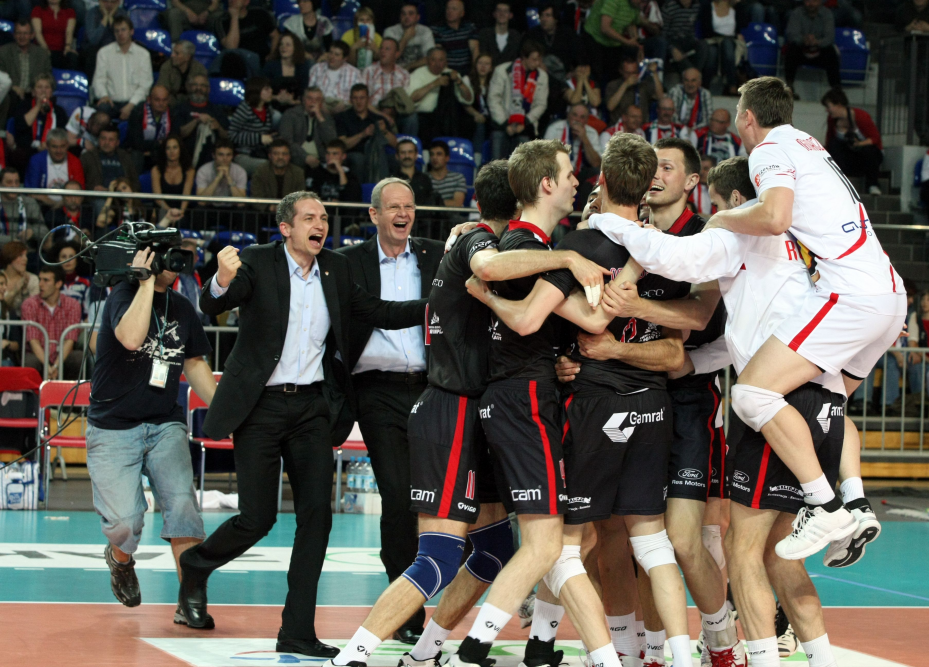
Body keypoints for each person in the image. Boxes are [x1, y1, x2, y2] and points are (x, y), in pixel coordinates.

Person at [587, 154, 880, 665]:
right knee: (771, 553)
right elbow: (740, 338)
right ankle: (846, 511)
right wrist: (689, 361)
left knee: (734, 547)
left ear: (730, 198)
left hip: (754, 403)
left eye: (720, 205)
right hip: (803, 394)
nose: (716, 214)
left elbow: (682, 279)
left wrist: (608, 222)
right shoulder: (790, 247)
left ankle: (741, 641)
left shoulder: (730, 234)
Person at [178, 190, 427, 654]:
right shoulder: (257, 261)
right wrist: (220, 280)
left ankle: (295, 631)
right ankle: (196, 564)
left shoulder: (336, 268)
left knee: (317, 518)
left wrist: (433, 307)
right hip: (260, 407)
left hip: (312, 407)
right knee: (257, 518)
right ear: (286, 228)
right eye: (309, 217)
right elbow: (213, 306)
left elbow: (377, 311)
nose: (320, 225)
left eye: (325, 217)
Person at [700, 76, 904, 559]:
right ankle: (857, 504)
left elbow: (775, 218)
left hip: (851, 294)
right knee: (829, 400)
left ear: (747, 117)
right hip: (888, 294)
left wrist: (720, 218)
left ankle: (825, 506)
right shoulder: (811, 145)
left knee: (751, 392)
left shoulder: (768, 149)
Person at [447, 138, 630, 667]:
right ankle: (476, 645)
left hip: (524, 396)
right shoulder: (530, 247)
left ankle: (509, 645)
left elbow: (578, 319)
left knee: (559, 542)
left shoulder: (527, 245)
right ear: (546, 183)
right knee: (550, 544)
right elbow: (531, 315)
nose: (577, 182)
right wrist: (619, 259)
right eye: (569, 174)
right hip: (522, 400)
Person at [582, 138, 739, 665]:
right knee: (629, 538)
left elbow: (698, 317)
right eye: (651, 166)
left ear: (692, 181)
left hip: (688, 399)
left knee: (685, 540)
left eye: (667, 167)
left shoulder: (704, 237)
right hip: (630, 394)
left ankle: (722, 641)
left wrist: (635, 311)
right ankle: (646, 649)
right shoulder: (630, 232)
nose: (655, 175)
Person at [334, 178, 445, 644]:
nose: (403, 214)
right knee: (399, 498)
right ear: (374, 214)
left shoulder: (437, 255)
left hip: (432, 388)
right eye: (394, 207)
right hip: (376, 391)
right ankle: (406, 609)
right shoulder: (348, 262)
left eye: (410, 206)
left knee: (436, 500)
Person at [86, 243, 216, 614]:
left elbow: (194, 363)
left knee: (183, 508)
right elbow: (130, 338)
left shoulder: (182, 306)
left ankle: (190, 599)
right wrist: (144, 283)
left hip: (164, 422)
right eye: (168, 254)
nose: (176, 263)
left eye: (182, 256)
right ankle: (120, 559)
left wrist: (227, 414)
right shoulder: (122, 294)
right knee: (126, 523)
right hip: (113, 426)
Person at [488, 41, 548, 160]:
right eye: (534, 59)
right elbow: (493, 98)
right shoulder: (502, 70)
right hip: (502, 124)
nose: (537, 63)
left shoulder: (542, 76)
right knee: (497, 161)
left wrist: (524, 122)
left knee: (521, 162)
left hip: (526, 126)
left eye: (539, 60)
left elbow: (541, 104)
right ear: (524, 57)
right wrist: (505, 123)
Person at [22, 264, 82, 379]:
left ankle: (74, 390)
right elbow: (33, 341)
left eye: (46, 280)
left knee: (78, 358)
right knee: (29, 361)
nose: (40, 284)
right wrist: (48, 367)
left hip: (62, 356)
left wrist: (56, 366)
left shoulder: (72, 305)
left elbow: (70, 340)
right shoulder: (29, 304)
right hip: (39, 356)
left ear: (58, 284)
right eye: (40, 279)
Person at [821, 88, 884, 196]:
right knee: (834, 145)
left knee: (869, 150)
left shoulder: (861, 116)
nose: (827, 110)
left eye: (828, 106)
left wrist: (859, 144)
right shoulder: (831, 119)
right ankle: (838, 182)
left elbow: (875, 138)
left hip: (868, 157)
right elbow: (829, 140)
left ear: (838, 104)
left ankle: (873, 185)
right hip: (850, 159)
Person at [92, 15, 153, 121]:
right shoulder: (104, 53)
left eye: (123, 30)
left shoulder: (143, 54)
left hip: (135, 103)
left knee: (141, 111)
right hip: (111, 103)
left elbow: (145, 85)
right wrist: (104, 96)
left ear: (131, 31)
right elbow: (99, 80)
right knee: (102, 110)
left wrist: (131, 104)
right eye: (117, 31)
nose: (120, 34)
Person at [407, 46, 471, 145]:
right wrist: (434, 84)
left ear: (446, 62)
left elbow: (468, 98)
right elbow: (411, 99)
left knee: (467, 121)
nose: (437, 64)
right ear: (427, 61)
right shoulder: (418, 74)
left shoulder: (451, 73)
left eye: (441, 60)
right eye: (433, 60)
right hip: (424, 117)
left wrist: (458, 81)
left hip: (448, 117)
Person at [335, 83, 397, 181]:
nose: (359, 102)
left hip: (376, 154)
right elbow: (341, 145)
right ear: (350, 100)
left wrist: (384, 131)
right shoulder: (342, 118)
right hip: (353, 155)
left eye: (362, 98)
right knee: (358, 159)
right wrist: (363, 134)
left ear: (368, 99)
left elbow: (395, 144)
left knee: (394, 159)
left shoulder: (378, 119)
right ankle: (359, 189)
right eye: (355, 98)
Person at [9, 73, 68, 173]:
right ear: (33, 92)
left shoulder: (59, 111)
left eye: (47, 87)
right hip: (28, 150)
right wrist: (38, 106)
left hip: (51, 150)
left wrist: (48, 145)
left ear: (51, 92)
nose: (43, 90)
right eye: (39, 87)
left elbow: (63, 135)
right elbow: (20, 126)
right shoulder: (24, 106)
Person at [582, 0, 648, 87]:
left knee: (613, 78)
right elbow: (605, 28)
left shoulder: (635, 6)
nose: (643, 3)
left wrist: (638, 46)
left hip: (613, 44)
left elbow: (631, 23)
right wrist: (627, 42)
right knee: (596, 77)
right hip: (594, 39)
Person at [784, 0, 839, 97]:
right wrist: (804, 39)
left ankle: (836, 90)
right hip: (801, 49)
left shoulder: (827, 14)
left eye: (814, 1)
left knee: (831, 52)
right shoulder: (797, 13)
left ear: (820, 2)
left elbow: (829, 37)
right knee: (791, 49)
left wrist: (817, 42)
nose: (810, 4)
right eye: (808, 1)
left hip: (820, 50)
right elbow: (791, 34)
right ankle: (789, 87)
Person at [173, 74, 229, 168]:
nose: (198, 88)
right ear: (189, 88)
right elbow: (179, 134)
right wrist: (197, 121)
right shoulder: (180, 109)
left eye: (202, 85)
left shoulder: (216, 110)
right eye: (195, 85)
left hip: (212, 160)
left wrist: (218, 127)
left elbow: (227, 136)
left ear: (208, 89)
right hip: (185, 158)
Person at [211, 0, 277, 79]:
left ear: (246, 2)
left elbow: (275, 36)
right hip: (236, 64)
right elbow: (231, 47)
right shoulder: (221, 21)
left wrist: (273, 53)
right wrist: (234, 17)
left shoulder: (260, 14)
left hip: (261, 61)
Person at [278, 87, 339, 171]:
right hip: (297, 158)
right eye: (309, 98)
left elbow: (332, 143)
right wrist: (305, 157)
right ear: (303, 100)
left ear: (322, 102)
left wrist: (320, 117)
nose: (313, 102)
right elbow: (286, 141)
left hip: (320, 160)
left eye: (317, 99)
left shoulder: (326, 118)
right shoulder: (290, 114)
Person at [25, 128, 85, 209]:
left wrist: (60, 204)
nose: (58, 151)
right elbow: (31, 192)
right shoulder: (36, 161)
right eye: (54, 147)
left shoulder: (75, 162)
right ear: (47, 146)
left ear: (67, 145)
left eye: (62, 146)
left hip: (69, 208)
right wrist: (52, 203)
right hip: (42, 207)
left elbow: (80, 191)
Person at [229, 77, 276, 175]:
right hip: (243, 154)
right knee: (269, 167)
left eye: (270, 88)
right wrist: (259, 138)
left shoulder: (268, 110)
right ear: (257, 91)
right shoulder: (245, 109)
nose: (271, 91)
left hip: (261, 153)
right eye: (266, 89)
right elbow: (232, 135)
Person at [697, 0, 747, 95]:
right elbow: (706, 31)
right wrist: (726, 37)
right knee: (713, 52)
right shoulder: (708, 7)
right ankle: (706, 85)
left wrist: (739, 5)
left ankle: (731, 84)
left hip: (731, 43)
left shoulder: (736, 9)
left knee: (727, 45)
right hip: (712, 40)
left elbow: (744, 24)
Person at [543, 102, 601, 182]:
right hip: (557, 171)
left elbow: (596, 163)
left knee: (596, 172)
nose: (578, 120)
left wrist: (584, 138)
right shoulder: (555, 129)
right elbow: (545, 158)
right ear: (568, 115)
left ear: (587, 120)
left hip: (580, 174)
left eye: (582, 117)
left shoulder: (592, 133)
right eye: (575, 115)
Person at [0, 19, 52, 104]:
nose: (22, 37)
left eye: (25, 33)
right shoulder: (3, 52)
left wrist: (39, 89)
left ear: (32, 35)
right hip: (12, 95)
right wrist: (12, 87)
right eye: (19, 33)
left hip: (34, 95)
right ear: (14, 35)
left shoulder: (42, 54)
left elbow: (49, 78)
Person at [125, 84, 175, 172]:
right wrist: (158, 143)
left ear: (169, 100)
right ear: (149, 99)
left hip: (159, 152)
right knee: (136, 155)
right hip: (139, 153)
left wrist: (152, 150)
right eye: (157, 100)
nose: (161, 104)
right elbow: (137, 143)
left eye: (164, 100)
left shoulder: (172, 113)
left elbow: (173, 139)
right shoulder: (138, 112)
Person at [527, 4, 582, 78]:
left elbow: (580, 57)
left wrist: (573, 72)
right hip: (539, 75)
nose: (544, 19)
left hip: (565, 76)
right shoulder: (532, 34)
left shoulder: (568, 34)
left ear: (556, 19)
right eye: (542, 15)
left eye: (548, 15)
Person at [251, 139, 306, 213]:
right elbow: (256, 197)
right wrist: (270, 208)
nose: (280, 157)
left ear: (289, 156)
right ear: (270, 156)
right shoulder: (260, 171)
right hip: (265, 213)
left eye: (284, 154)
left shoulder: (298, 173)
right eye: (276, 154)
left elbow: (300, 198)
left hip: (290, 214)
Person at [0, 168, 48, 252]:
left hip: (26, 252)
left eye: (17, 182)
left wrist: (32, 232)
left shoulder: (29, 202)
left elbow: (44, 230)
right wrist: (11, 241)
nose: (14, 186)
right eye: (9, 182)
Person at [81, 124, 140, 192]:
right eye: (103, 139)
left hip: (122, 195)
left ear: (117, 142)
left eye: (111, 140)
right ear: (98, 140)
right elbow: (80, 183)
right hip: (97, 195)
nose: (106, 143)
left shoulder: (126, 157)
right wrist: (92, 188)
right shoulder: (87, 157)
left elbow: (135, 183)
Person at [605, 57, 663, 125]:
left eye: (634, 72)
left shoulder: (643, 84)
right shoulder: (613, 85)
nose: (631, 76)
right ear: (621, 71)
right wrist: (625, 84)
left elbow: (660, 97)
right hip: (620, 127)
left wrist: (654, 73)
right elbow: (610, 107)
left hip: (641, 127)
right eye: (628, 73)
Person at [309, 41, 361, 114]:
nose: (332, 57)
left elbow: (358, 96)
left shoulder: (354, 73)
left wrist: (345, 104)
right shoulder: (316, 69)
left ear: (345, 58)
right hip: (320, 106)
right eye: (330, 53)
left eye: (337, 55)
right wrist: (320, 105)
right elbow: (310, 92)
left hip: (344, 109)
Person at [151, 135, 195, 220]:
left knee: (183, 221)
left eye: (175, 147)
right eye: (168, 148)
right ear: (164, 151)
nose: (172, 151)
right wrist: (170, 212)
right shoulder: (156, 170)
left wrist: (180, 212)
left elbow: (186, 197)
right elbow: (158, 198)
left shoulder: (189, 170)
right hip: (163, 209)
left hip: (181, 211)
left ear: (180, 149)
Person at [263, 33, 310, 110]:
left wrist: (292, 102)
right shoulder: (271, 65)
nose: (283, 47)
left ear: (295, 48)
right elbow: (261, 90)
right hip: (272, 106)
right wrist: (276, 98)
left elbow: (304, 93)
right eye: (281, 44)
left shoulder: (302, 67)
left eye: (288, 45)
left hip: (296, 107)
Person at [432, 0, 479, 76]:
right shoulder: (437, 29)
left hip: (468, 72)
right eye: (448, 8)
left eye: (454, 9)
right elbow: (440, 55)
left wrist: (475, 71)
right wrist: (449, 73)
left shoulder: (469, 27)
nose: (449, 11)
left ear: (462, 13)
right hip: (447, 72)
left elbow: (475, 50)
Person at [385, 2, 436, 72]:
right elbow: (389, 58)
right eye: (403, 14)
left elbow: (431, 57)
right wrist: (405, 38)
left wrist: (410, 66)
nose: (407, 17)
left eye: (411, 14)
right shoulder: (390, 31)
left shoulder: (425, 31)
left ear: (418, 17)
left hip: (420, 72)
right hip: (395, 72)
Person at [194, 139, 247, 206]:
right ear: (213, 155)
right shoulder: (203, 171)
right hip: (210, 207)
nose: (225, 158)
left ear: (232, 156)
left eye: (228, 155)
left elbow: (241, 203)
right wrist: (218, 178)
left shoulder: (240, 172)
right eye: (221, 155)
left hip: (232, 208)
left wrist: (229, 178)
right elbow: (201, 202)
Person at [157, 41, 209, 108]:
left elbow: (202, 91)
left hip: (193, 105)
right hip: (170, 106)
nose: (172, 55)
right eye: (173, 52)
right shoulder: (167, 67)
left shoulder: (200, 69)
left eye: (177, 53)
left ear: (187, 57)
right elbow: (162, 89)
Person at [363, 38, 411, 109]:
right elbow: (363, 100)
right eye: (381, 48)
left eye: (387, 49)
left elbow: (404, 101)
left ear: (396, 54)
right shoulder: (369, 71)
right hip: (374, 111)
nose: (383, 51)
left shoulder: (404, 74)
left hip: (396, 111)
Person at [461, 53, 494, 155]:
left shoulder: (495, 82)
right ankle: (477, 156)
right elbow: (465, 103)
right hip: (471, 116)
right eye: (480, 63)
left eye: (487, 64)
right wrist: (476, 114)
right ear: (475, 65)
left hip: (490, 117)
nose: (483, 66)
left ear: (491, 68)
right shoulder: (467, 80)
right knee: (479, 125)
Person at [30, 0, 78, 70]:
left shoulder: (70, 12)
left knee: (72, 57)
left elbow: (69, 32)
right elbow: (38, 32)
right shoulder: (37, 10)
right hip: (42, 49)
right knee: (44, 56)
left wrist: (67, 47)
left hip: (62, 50)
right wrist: (45, 49)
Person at [390, 138, 436, 206]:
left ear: (416, 155)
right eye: (403, 152)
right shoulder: (390, 181)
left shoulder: (425, 179)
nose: (407, 156)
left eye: (410, 152)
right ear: (397, 156)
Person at [1, 240, 38, 319]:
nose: (26, 259)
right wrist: (15, 290)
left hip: (23, 323)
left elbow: (34, 310)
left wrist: (25, 290)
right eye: (21, 255)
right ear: (10, 257)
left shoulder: (32, 280)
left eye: (26, 255)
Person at [426, 140, 468, 208]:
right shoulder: (423, 178)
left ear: (447, 158)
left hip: (451, 215)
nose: (434, 157)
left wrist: (433, 202)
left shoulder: (458, 178)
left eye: (439, 154)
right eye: (432, 154)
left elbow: (457, 204)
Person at [477, 2, 521, 66]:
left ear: (510, 15)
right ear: (494, 14)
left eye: (505, 11)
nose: (502, 14)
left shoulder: (516, 36)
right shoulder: (485, 34)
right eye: (499, 10)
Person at [53, 241, 89, 306]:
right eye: (64, 256)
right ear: (58, 260)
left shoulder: (86, 283)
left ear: (77, 260)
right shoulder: (52, 283)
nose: (68, 260)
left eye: (71, 256)